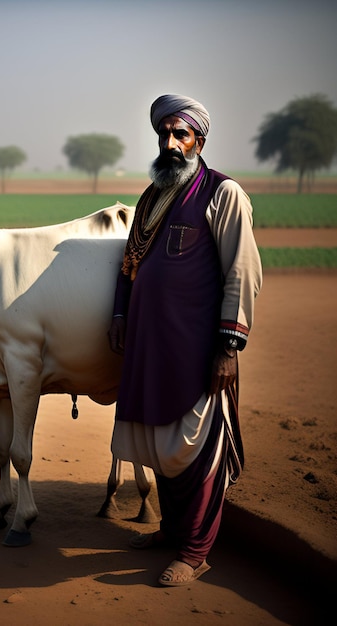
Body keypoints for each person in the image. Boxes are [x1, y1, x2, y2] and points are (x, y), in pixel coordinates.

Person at [108, 94, 263, 587]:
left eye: (182, 134)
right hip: (152, 347)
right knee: (164, 445)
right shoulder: (152, 196)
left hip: (198, 349)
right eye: (165, 134)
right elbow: (129, 263)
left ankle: (195, 552)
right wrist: (119, 313)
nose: (171, 143)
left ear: (200, 140)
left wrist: (227, 348)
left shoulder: (223, 193)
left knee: (197, 449)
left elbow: (243, 271)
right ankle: (174, 530)